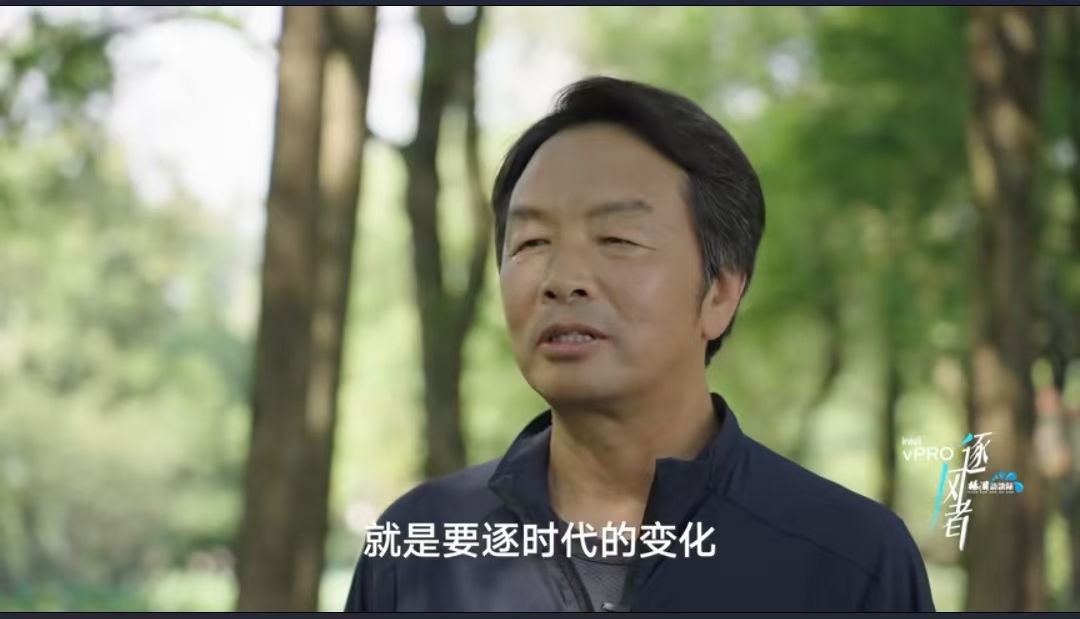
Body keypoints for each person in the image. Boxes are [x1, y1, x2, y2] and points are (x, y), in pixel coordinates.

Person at [344, 76, 936, 612]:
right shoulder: (418, 552)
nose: (562, 279)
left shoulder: (848, 561)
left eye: (617, 239)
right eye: (530, 243)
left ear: (720, 293)